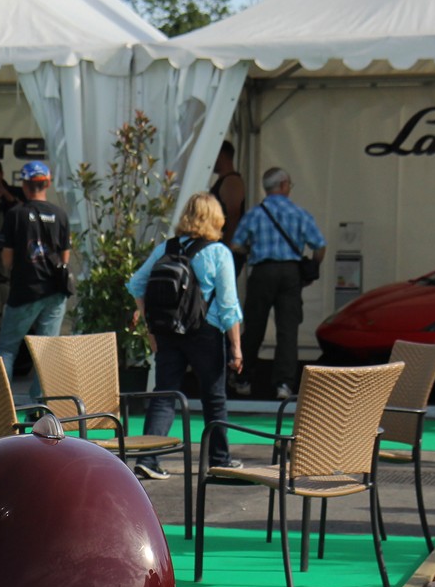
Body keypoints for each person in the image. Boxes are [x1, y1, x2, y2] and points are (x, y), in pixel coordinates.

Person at [127, 193, 244, 478]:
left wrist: (150, 326)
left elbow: (135, 285)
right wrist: (236, 348)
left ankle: (149, 459)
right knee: (213, 397)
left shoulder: (165, 248)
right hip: (205, 331)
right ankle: (219, 461)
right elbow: (228, 306)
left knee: (165, 394)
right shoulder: (218, 253)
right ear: (215, 219)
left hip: (168, 330)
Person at [229, 167, 326, 400]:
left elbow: (236, 245)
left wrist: (251, 249)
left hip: (262, 271)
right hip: (291, 272)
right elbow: (319, 245)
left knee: (254, 327)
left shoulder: (254, 214)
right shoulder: (299, 213)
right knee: (288, 330)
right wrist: (311, 267)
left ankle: (243, 379)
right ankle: (284, 383)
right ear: (283, 185)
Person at [0, 161, 69, 395]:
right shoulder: (60, 215)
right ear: (47, 183)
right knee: (45, 351)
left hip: (25, 289)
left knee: (7, 348)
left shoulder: (16, 214)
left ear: (25, 186)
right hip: (56, 290)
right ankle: (39, 407)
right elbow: (65, 257)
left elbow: (7, 258)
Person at [210, 141, 248, 276]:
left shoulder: (231, 181)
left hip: (228, 250)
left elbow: (234, 216)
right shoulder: (224, 181)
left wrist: (226, 247)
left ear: (223, 155)